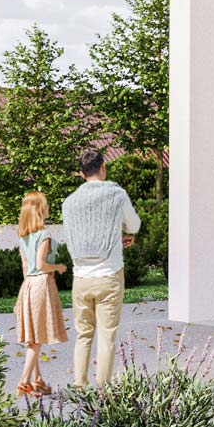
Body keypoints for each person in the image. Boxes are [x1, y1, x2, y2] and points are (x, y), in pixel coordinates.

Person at [59, 149, 140, 387]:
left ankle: (79, 385)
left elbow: (78, 235)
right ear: (103, 167)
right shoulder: (116, 194)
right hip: (109, 275)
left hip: (81, 277)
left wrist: (114, 236)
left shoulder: (69, 202)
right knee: (106, 335)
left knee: (83, 335)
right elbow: (133, 225)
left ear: (81, 173)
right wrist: (119, 235)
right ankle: (103, 391)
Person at [12, 191, 67, 397]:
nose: (48, 207)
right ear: (39, 210)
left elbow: (27, 269)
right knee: (37, 338)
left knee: (33, 336)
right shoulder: (45, 235)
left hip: (29, 286)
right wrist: (59, 266)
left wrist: (20, 298)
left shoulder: (24, 238)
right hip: (42, 286)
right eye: (46, 204)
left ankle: (37, 380)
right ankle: (24, 382)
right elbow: (41, 265)